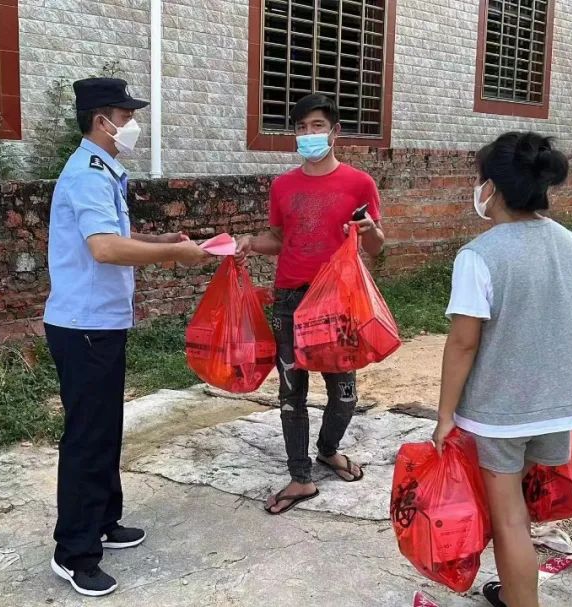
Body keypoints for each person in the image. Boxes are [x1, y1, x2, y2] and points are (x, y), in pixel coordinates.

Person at [44, 77, 209, 597]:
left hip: (102, 322)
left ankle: (103, 520)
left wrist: (158, 239)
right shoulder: (89, 174)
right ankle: (73, 551)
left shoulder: (104, 172)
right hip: (84, 324)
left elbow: (117, 235)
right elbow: (105, 250)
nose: (133, 124)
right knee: (87, 437)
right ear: (102, 120)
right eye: (127, 114)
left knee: (105, 428)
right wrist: (175, 255)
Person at [431, 132, 572, 607]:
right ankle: (515, 589)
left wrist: (445, 416)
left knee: (508, 520)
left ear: (493, 189)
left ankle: (521, 600)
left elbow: (463, 343)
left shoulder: (480, 256)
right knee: (517, 510)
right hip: (559, 408)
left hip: (499, 414)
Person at [235, 93, 385, 515]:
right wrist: (249, 243)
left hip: (339, 303)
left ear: (335, 131)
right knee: (291, 392)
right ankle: (300, 477)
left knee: (345, 393)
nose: (308, 135)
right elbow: (281, 240)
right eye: (300, 128)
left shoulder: (359, 184)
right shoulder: (283, 186)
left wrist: (370, 228)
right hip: (290, 299)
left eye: (316, 126)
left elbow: (375, 246)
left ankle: (328, 449)